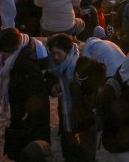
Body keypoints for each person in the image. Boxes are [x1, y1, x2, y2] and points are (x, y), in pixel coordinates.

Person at [46, 33, 106, 162]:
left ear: (68, 51)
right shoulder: (54, 68)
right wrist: (52, 88)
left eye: (58, 53)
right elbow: (49, 81)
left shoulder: (82, 63)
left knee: (87, 153)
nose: (55, 57)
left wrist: (86, 90)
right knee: (69, 150)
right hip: (66, 116)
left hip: (85, 115)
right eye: (53, 53)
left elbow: (101, 71)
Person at [0, 27, 50, 161]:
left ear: (12, 48)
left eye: (2, 51)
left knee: (27, 140)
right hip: (23, 107)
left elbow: (36, 92)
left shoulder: (27, 65)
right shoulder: (24, 49)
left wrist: (26, 112)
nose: (0, 54)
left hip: (28, 112)